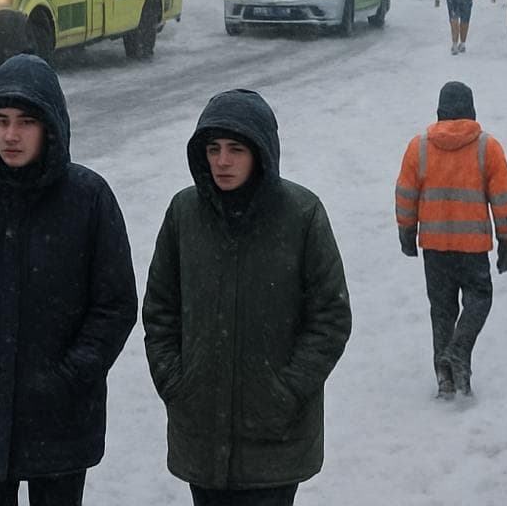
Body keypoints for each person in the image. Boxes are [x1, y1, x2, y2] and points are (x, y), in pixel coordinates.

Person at [0, 53, 137, 506]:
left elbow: (115, 303)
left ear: (50, 127)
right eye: (1, 121)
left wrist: (72, 375)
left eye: (25, 122)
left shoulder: (88, 198)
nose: (11, 136)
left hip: (60, 420)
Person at [143, 89, 352, 505]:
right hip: (199, 430)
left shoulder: (301, 215)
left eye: (235, 149)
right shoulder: (184, 214)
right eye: (213, 149)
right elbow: (160, 309)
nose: (222, 161)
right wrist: (175, 382)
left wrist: (287, 390)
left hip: (276, 436)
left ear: (260, 152)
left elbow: (330, 317)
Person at [394, 80, 507, 399]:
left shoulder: (419, 147)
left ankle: (444, 378)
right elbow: (504, 199)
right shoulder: (486, 147)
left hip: (434, 247)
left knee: (442, 309)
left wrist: (407, 233)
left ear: (439, 111)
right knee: (480, 297)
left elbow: (406, 195)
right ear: (472, 110)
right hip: (473, 248)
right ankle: (460, 351)